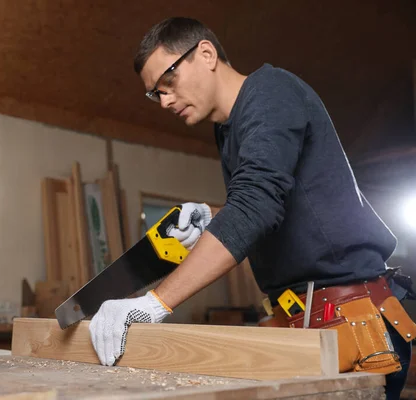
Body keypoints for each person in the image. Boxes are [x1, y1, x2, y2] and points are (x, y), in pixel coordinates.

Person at [88, 17, 416, 399]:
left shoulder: (270, 93)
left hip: (351, 323)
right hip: (303, 323)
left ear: (206, 54)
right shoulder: (229, 126)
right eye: (155, 94)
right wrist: (214, 216)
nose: (164, 101)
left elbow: (256, 203)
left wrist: (154, 302)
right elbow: (273, 201)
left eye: (168, 82)